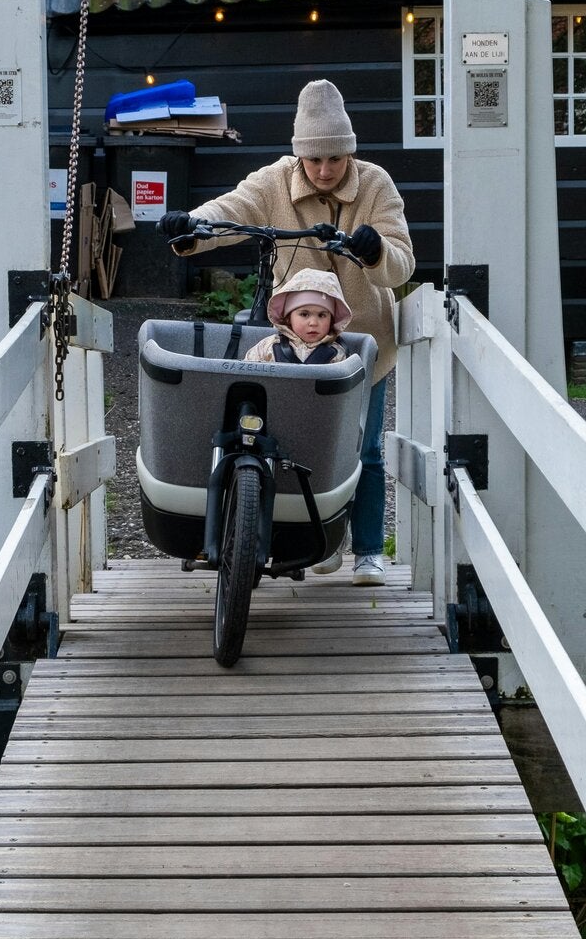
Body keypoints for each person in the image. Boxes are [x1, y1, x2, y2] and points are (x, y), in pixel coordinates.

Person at [159, 78, 414, 585]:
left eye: (335, 159)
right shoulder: (274, 181)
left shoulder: (376, 184)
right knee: (301, 446)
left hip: (362, 346)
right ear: (299, 155)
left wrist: (375, 251)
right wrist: (190, 225)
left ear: (350, 153)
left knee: (364, 450)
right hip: (294, 344)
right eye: (314, 159)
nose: (324, 170)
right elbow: (230, 211)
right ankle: (317, 542)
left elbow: (402, 262)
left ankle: (368, 551)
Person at [243, 267, 352, 365]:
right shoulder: (268, 347)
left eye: (321, 315)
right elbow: (247, 374)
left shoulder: (338, 355)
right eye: (304, 314)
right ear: (288, 318)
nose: (313, 323)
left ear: (331, 320)